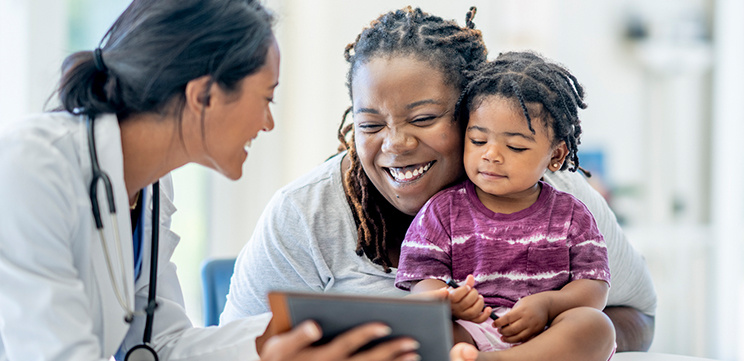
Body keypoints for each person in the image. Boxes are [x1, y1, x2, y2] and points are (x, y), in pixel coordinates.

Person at [0, 1, 422, 360]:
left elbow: (159, 345)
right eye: (266, 98)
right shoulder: (31, 167)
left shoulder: (149, 187)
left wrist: (281, 340)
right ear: (204, 95)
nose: (268, 123)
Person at [222, 5, 657, 353]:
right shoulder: (304, 213)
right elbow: (235, 346)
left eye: (425, 118)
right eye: (370, 125)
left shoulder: (555, 195)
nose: (395, 144)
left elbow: (638, 318)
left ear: (474, 110)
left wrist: (551, 323)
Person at [394, 51, 615, 361]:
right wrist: (449, 300)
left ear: (556, 155)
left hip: (546, 336)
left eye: (515, 147)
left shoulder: (571, 216)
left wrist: (548, 305)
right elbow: (421, 283)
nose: (492, 155)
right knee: (414, 326)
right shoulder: (441, 211)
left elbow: (594, 288)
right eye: (478, 140)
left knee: (597, 326)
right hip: (469, 331)